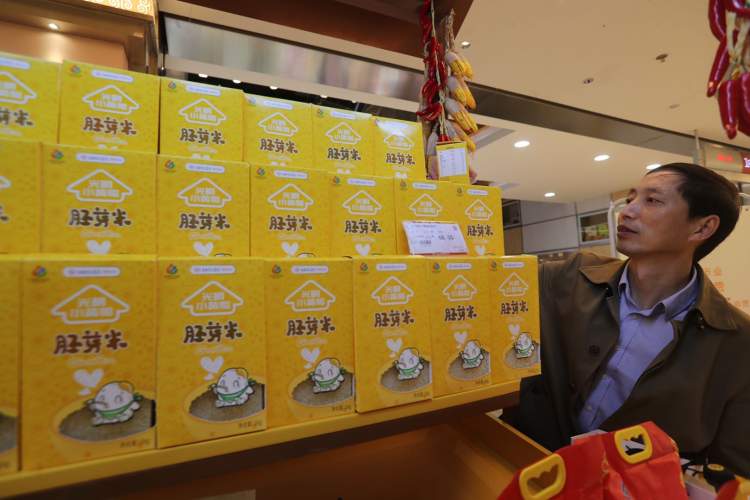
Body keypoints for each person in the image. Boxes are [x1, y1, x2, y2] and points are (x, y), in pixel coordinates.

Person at [517, 163, 750, 476]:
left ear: (702, 228)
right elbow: (486, 283)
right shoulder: (571, 276)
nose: (626, 212)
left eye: (652, 200)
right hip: (525, 468)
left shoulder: (737, 341)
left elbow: (733, 468)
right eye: (630, 199)